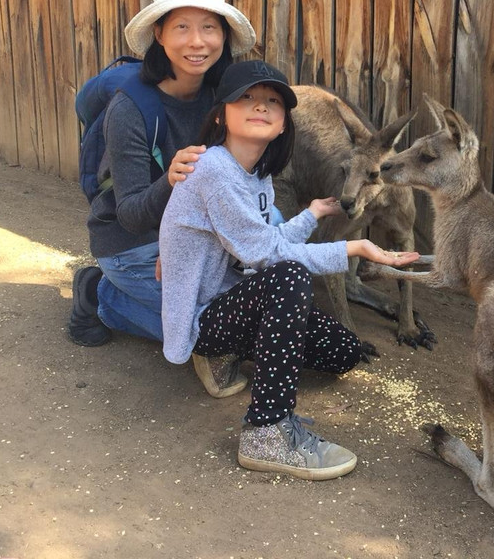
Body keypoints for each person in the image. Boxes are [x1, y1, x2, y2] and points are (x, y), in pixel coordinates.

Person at [159, 59, 419, 480]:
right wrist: (353, 247)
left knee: (343, 352)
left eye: (272, 102)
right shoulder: (213, 171)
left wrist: (312, 214)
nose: (260, 106)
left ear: (283, 124)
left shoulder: (256, 175)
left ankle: (234, 353)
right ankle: (267, 431)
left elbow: (270, 240)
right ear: (222, 113)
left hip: (238, 299)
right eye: (247, 98)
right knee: (290, 278)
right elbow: (267, 256)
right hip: (207, 314)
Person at [69, 0, 258, 399]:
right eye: (182, 27)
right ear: (159, 33)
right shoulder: (131, 108)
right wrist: (171, 180)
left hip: (199, 239)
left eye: (209, 27)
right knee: (224, 329)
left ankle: (183, 316)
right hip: (133, 244)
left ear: (223, 35)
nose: (198, 42)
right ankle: (99, 293)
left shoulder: (228, 97)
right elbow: (131, 213)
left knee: (259, 308)